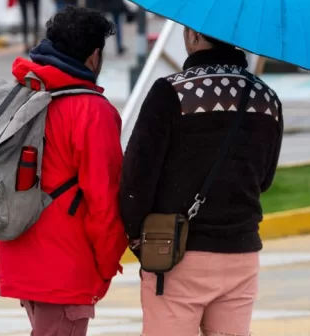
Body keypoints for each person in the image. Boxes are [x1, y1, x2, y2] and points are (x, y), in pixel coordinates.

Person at [119, 30, 283, 336]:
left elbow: (136, 178)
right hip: (241, 252)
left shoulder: (171, 93)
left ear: (194, 35)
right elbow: (265, 178)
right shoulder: (266, 99)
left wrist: (138, 238)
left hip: (176, 254)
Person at [0, 6, 127, 335]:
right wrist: (108, 264)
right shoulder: (92, 111)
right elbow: (104, 200)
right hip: (65, 264)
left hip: (19, 250)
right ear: (94, 56)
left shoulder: (22, 91)